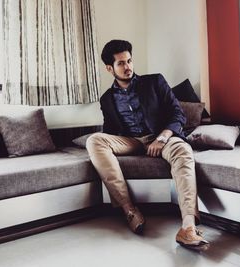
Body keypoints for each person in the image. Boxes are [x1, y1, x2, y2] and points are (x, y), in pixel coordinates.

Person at [86, 39, 209, 248]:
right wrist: (108, 146)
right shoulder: (107, 99)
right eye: (121, 63)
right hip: (131, 141)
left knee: (183, 149)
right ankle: (129, 210)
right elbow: (109, 130)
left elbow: (177, 114)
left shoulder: (154, 82)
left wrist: (162, 138)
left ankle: (188, 227)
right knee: (94, 140)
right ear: (109, 68)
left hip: (160, 135)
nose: (128, 67)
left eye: (129, 61)